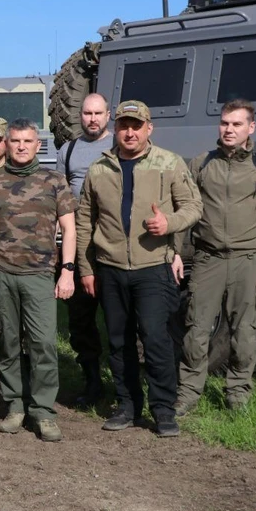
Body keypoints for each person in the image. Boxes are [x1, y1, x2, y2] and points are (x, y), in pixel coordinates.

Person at [75, 100, 202, 438]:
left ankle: (163, 410)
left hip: (153, 268)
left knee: (156, 339)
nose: (129, 132)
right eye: (124, 126)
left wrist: (170, 222)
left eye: (136, 126)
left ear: (149, 128)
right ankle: (127, 406)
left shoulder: (169, 163)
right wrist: (86, 269)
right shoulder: (99, 169)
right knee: (118, 341)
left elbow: (193, 206)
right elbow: (85, 221)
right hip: (110, 269)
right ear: (115, 129)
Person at [174, 99, 256, 414]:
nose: (229, 129)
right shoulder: (201, 164)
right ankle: (187, 395)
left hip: (248, 261)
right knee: (196, 330)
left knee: (244, 333)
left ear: (250, 128)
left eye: (237, 124)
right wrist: (173, 251)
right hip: (207, 259)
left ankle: (237, 396)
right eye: (225, 123)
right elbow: (183, 210)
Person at [0, 118, 77, 442]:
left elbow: (69, 228)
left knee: (43, 343)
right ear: (6, 144)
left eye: (27, 141)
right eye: (15, 141)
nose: (21, 146)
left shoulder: (54, 181)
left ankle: (43, 411)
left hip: (40, 274)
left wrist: (67, 270)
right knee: (9, 342)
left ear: (38, 145)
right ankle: (15, 406)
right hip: (0, 272)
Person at [54, 93, 113, 408]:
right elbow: (59, 195)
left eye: (98, 113)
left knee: (120, 320)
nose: (92, 119)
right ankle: (92, 383)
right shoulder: (69, 150)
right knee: (80, 320)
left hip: (114, 245)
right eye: (87, 113)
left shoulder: (120, 144)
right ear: (81, 116)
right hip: (78, 247)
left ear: (108, 115)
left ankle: (124, 383)